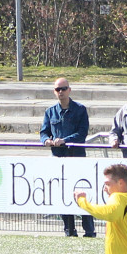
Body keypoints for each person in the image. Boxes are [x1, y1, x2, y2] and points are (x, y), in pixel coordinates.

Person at [40, 77, 95, 237]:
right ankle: (69, 230)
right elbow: (44, 132)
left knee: (83, 195)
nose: (61, 92)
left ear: (69, 90)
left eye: (63, 89)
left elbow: (82, 133)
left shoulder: (80, 109)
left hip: (76, 159)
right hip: (58, 160)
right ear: (54, 92)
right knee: (63, 195)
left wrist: (65, 140)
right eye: (58, 89)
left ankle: (89, 230)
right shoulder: (50, 111)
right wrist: (46, 140)